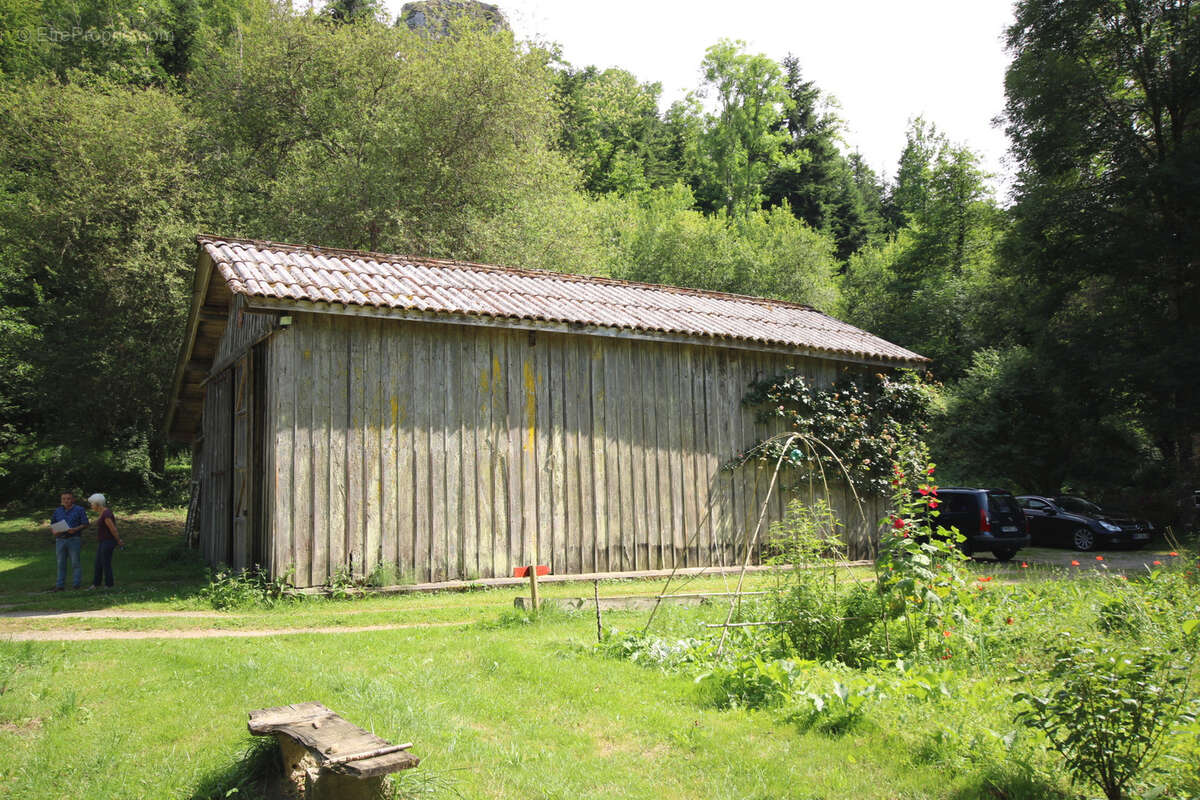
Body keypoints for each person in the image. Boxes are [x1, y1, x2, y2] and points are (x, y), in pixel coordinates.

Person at [50, 491, 88, 590]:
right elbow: (52, 524)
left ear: (73, 499)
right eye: (64, 499)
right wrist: (54, 532)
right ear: (61, 500)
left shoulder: (79, 509)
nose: (66, 501)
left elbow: (85, 523)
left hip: (74, 538)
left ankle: (76, 584)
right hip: (60, 539)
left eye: (68, 498)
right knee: (60, 563)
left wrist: (75, 529)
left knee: (75, 563)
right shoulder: (58, 511)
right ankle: (60, 585)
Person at [87, 493, 124, 590]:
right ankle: (96, 584)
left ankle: (109, 584)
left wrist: (118, 540)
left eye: (92, 504)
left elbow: (113, 529)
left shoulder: (107, 514)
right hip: (102, 541)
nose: (91, 506)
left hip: (108, 541)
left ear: (97, 504)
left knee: (105, 562)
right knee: (98, 563)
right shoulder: (102, 513)